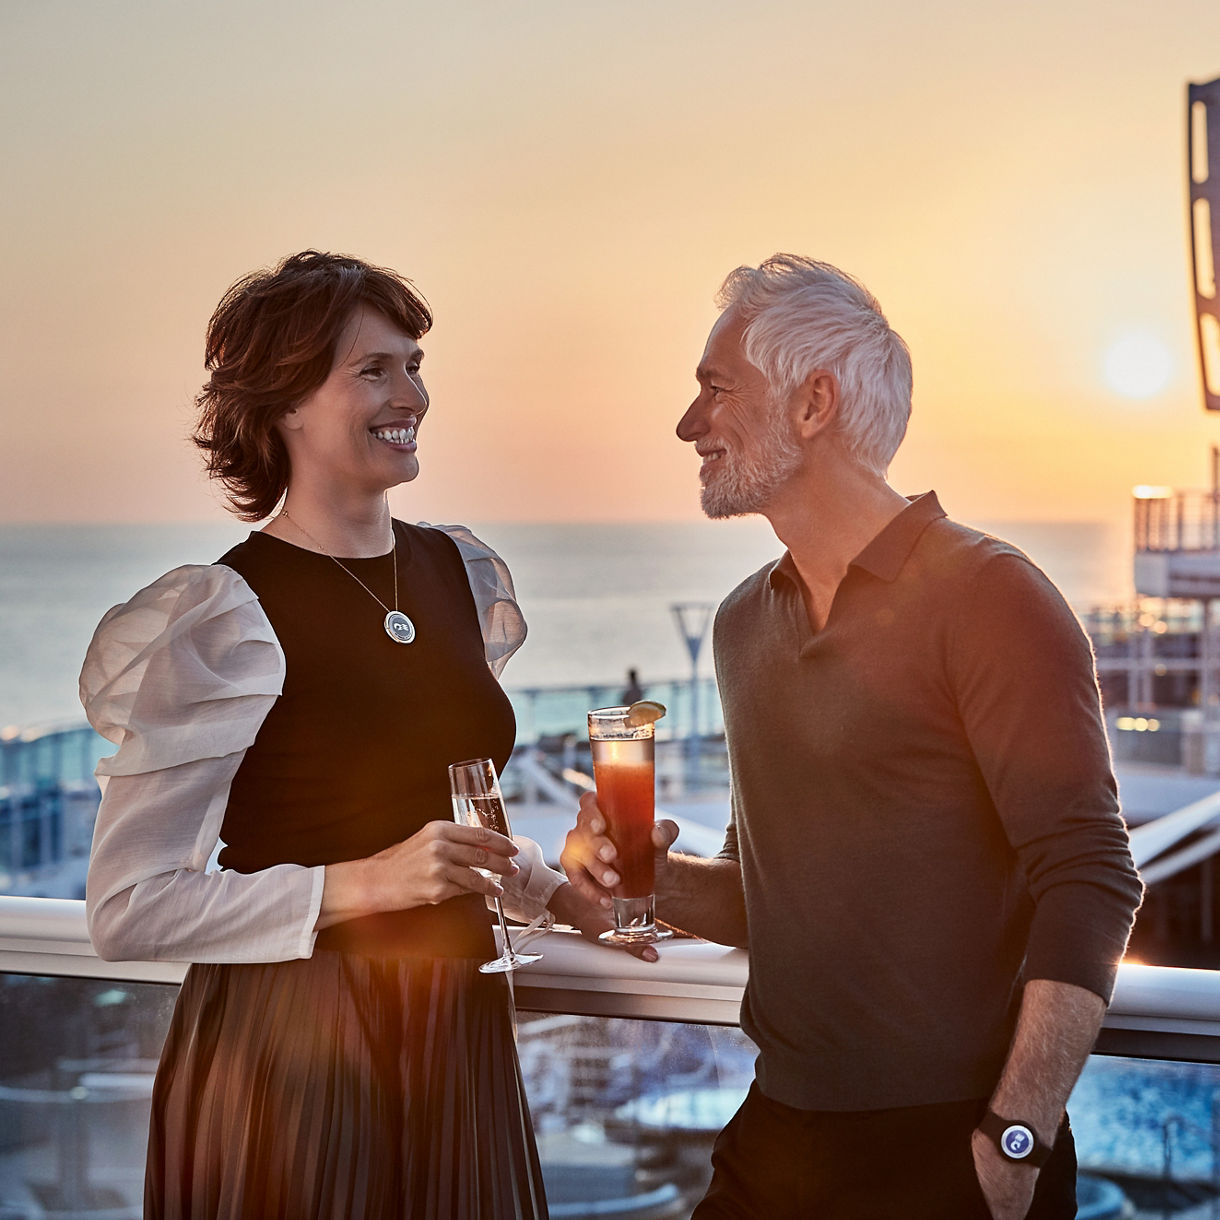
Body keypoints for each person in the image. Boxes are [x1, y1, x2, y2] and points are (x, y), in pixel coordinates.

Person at [561, 254, 1144, 1220]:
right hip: (775, 1139)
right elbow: (766, 901)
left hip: (953, 1151)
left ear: (813, 403)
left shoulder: (992, 597)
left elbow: (1091, 876)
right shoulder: (745, 624)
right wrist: (640, 877)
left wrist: (1015, 1140)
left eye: (716, 389)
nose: (688, 424)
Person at [80, 250, 602, 1219]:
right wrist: (358, 884)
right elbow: (127, 905)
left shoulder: (459, 570)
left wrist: (558, 893)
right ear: (283, 404)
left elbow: (433, 816)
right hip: (290, 1052)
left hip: (452, 1028)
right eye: (374, 369)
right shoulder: (223, 612)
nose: (412, 392)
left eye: (413, 363)